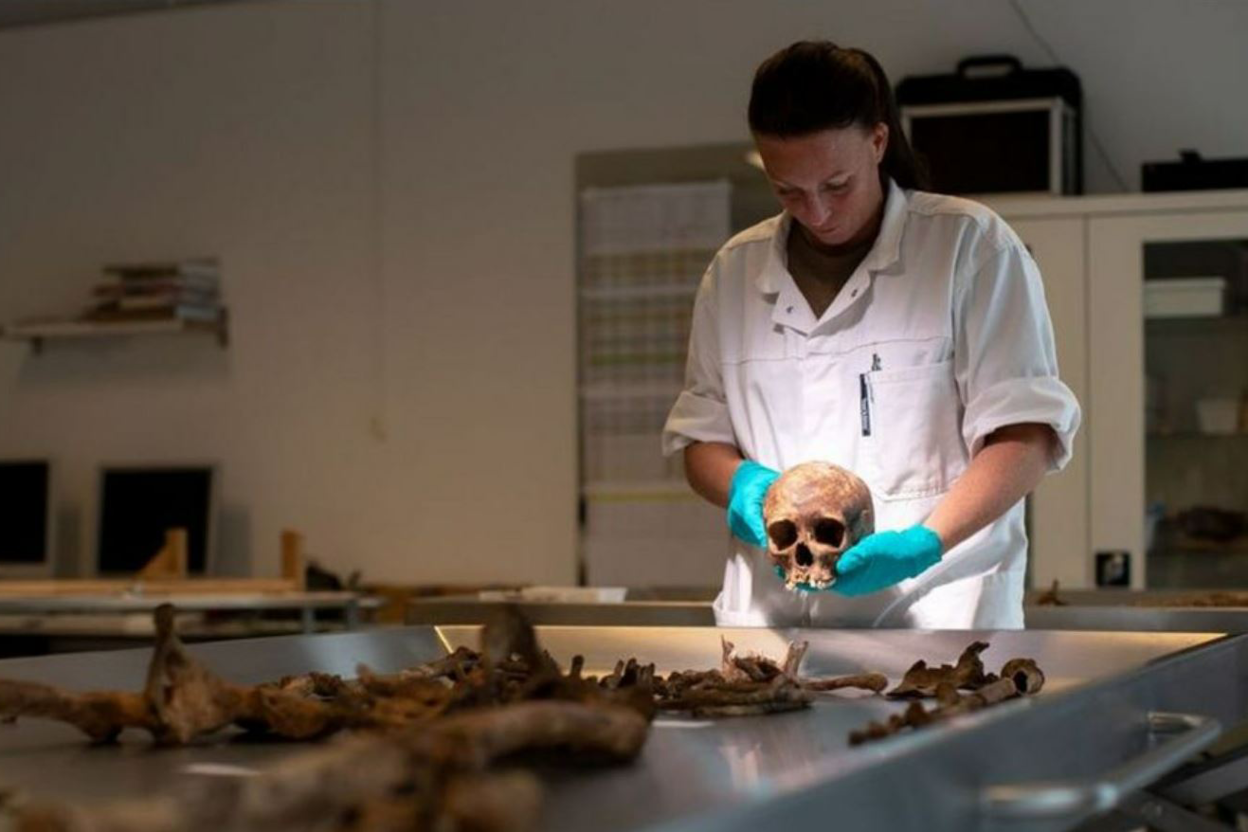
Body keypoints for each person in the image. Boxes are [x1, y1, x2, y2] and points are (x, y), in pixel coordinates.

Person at [661, 41, 1080, 628]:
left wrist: (924, 542)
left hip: (937, 618)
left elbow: (1026, 437)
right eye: (788, 191)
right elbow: (701, 439)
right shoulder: (734, 273)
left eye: (836, 185)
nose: (817, 212)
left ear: (878, 142)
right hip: (772, 628)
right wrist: (743, 487)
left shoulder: (971, 249)